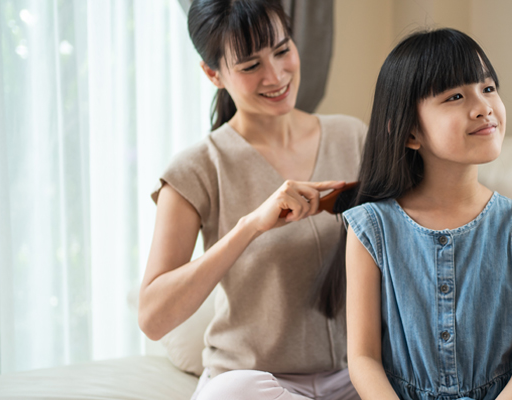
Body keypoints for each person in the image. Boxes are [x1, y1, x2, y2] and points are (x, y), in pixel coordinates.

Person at [136, 1, 365, 399]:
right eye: (249, 65)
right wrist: (250, 227)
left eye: (282, 50)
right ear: (213, 74)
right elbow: (153, 318)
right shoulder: (196, 169)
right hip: (257, 385)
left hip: (352, 377)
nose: (276, 75)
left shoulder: (353, 137)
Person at [339, 29, 512, 400]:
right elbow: (363, 360)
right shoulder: (370, 228)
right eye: (455, 96)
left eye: (488, 88)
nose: (483, 106)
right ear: (410, 133)